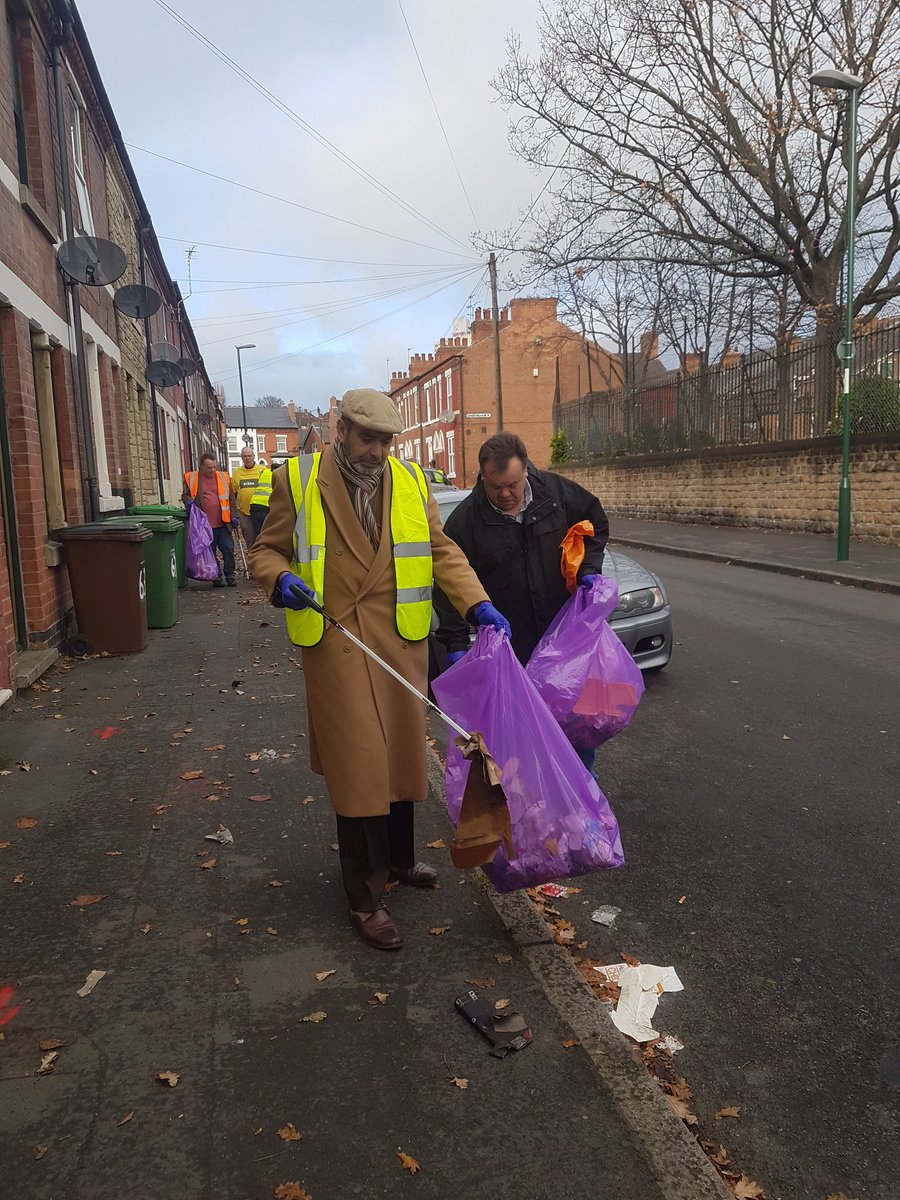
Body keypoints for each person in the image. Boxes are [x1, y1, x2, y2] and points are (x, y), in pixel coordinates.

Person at [249, 389, 510, 951]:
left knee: (398, 756)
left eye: (386, 440)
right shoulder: (298, 480)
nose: (377, 450)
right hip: (337, 642)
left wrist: (476, 603)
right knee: (360, 766)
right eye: (367, 437)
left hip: (398, 642)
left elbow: (441, 552)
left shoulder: (412, 482)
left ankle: (398, 859)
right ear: (340, 429)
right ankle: (365, 898)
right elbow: (265, 551)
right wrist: (280, 580)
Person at [433, 431, 609, 773]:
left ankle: (579, 801)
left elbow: (594, 523)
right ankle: (529, 807)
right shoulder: (465, 522)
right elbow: (447, 584)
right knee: (521, 739)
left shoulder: (557, 495)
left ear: (526, 470)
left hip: (562, 641)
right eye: (494, 485)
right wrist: (454, 642)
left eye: (512, 484)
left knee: (574, 732)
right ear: (482, 477)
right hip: (511, 649)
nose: (504, 493)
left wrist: (588, 568)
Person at [182, 453, 238, 587]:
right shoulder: (192, 478)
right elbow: (185, 495)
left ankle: (230, 575)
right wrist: (189, 502)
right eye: (209, 468)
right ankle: (216, 576)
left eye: (214, 467)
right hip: (204, 524)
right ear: (201, 467)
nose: (212, 470)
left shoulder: (224, 477)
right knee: (210, 552)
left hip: (223, 522)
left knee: (228, 548)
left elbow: (231, 499)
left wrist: (234, 515)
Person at [230, 446, 265, 550]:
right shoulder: (237, 473)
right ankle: (252, 560)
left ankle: (264, 560)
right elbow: (233, 494)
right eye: (245, 456)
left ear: (254, 456)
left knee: (263, 538)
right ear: (242, 457)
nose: (247, 458)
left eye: (249, 456)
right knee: (250, 539)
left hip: (261, 511)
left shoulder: (263, 470)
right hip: (245, 513)